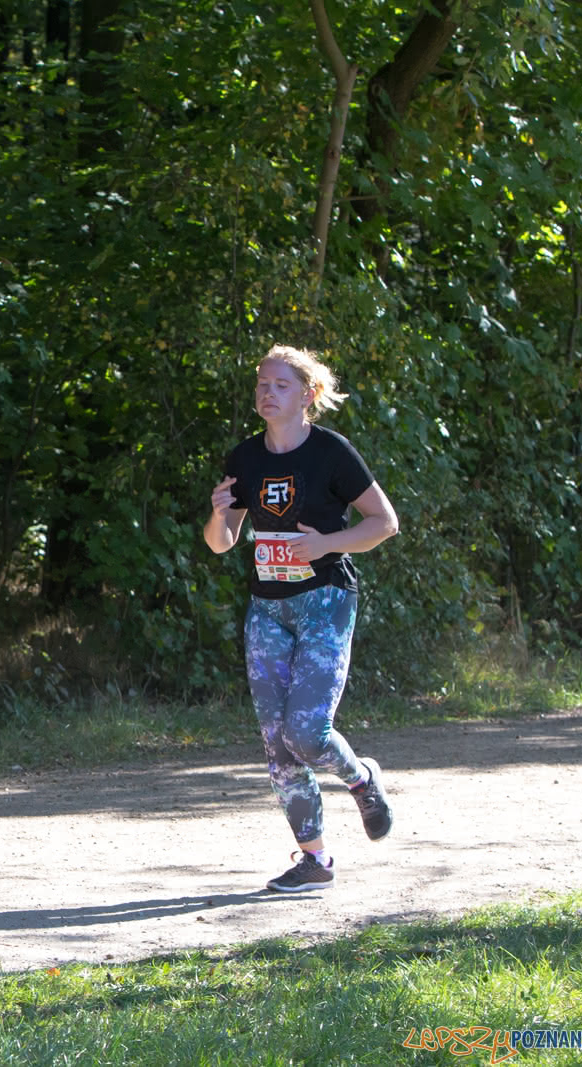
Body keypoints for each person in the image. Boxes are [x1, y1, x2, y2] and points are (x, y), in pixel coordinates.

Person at [203, 344, 399, 892]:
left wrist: (326, 545)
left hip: (326, 601)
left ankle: (361, 780)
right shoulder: (245, 458)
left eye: (281, 385)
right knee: (277, 741)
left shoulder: (332, 453)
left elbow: (384, 522)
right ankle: (314, 861)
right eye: (262, 384)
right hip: (267, 607)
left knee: (307, 732)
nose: (267, 393)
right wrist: (220, 514)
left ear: (309, 395)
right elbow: (222, 544)